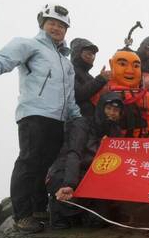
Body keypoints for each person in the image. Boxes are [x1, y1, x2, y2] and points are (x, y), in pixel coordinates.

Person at [0, 3, 81, 233]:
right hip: (34, 114)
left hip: (59, 120)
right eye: (52, 23)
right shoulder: (29, 45)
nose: (57, 28)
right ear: (42, 24)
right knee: (29, 162)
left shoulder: (66, 63)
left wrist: (77, 118)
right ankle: (22, 215)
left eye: (62, 26)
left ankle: (38, 208)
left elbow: (70, 96)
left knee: (45, 166)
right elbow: (3, 59)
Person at [49, 92, 125, 229]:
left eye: (116, 110)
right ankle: (57, 210)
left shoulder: (116, 131)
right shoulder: (82, 123)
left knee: (99, 221)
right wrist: (69, 183)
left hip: (93, 175)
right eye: (108, 108)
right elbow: (74, 154)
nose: (112, 113)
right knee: (66, 213)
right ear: (100, 107)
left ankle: (84, 212)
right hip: (67, 171)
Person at [70, 37, 110, 118]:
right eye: (87, 53)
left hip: (92, 122)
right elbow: (77, 94)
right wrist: (101, 79)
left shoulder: (90, 77)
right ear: (77, 52)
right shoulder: (70, 70)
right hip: (76, 120)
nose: (90, 57)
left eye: (93, 55)